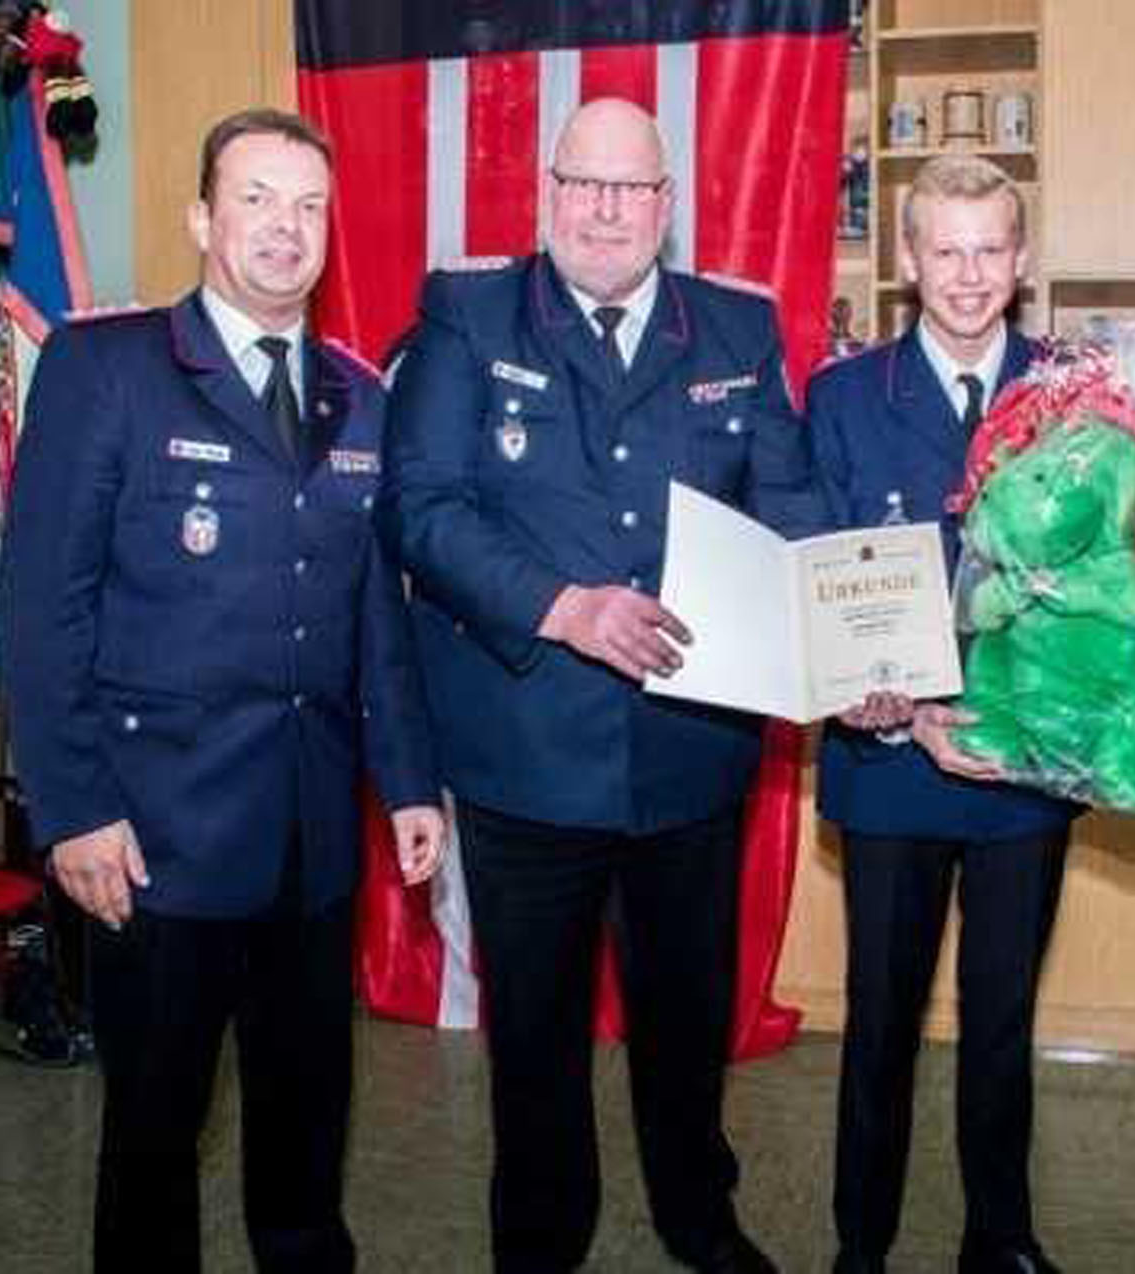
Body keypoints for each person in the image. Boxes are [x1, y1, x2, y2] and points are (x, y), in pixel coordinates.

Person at [0, 108, 445, 1272]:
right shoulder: (108, 368)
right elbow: (42, 607)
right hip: (156, 839)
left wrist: (408, 781)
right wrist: (72, 808)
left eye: (308, 205)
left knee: (307, 1123)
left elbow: (376, 614)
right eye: (256, 198)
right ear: (202, 217)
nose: (285, 227)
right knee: (154, 1133)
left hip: (310, 841)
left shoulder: (360, 396)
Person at [377, 98, 820, 1274]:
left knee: (688, 1020)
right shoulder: (467, 315)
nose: (606, 210)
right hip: (525, 752)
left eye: (631, 188)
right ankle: (539, 1238)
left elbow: (790, 504)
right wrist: (562, 606)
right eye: (583, 183)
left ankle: (699, 1216)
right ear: (547, 192)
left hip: (692, 749)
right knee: (535, 1034)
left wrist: (848, 630)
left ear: (666, 204)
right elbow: (420, 507)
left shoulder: (735, 327)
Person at [803, 155, 1074, 1274]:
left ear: (1022, 259)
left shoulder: (1077, 394)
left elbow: (1109, 576)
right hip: (890, 765)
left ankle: (999, 1239)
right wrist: (890, 705)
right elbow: (816, 572)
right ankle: (860, 1244)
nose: (968, 275)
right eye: (946, 251)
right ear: (907, 259)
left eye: (990, 250)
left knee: (1003, 1023)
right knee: (881, 1018)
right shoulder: (842, 396)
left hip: (1025, 763)